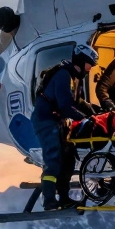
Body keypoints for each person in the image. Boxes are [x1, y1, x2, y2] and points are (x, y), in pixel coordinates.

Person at [32, 43, 99, 210]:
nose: (90, 68)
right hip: (46, 121)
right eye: (90, 64)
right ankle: (49, 200)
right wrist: (85, 119)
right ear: (82, 61)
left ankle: (63, 197)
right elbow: (65, 107)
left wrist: (93, 111)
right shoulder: (63, 76)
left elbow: (75, 101)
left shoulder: (71, 76)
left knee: (68, 158)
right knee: (53, 160)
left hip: (59, 122)